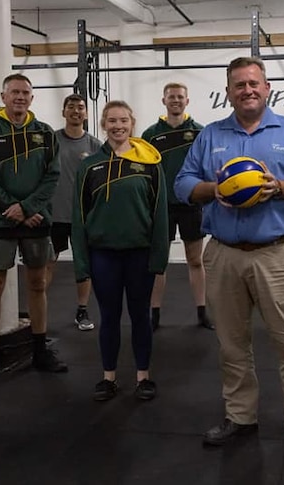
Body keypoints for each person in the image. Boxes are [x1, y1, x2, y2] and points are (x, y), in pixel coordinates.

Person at [175, 56, 284, 460]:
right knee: (231, 345)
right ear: (228, 92)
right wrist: (214, 190)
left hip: (277, 255)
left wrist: (280, 187)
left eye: (254, 83)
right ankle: (241, 416)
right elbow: (182, 183)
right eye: (239, 84)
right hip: (224, 255)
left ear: (267, 88)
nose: (248, 90)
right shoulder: (210, 135)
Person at [71, 100, 168, 401]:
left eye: (123, 120)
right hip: (104, 256)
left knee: (140, 316)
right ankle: (108, 377)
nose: (118, 126)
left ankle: (143, 377)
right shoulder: (88, 167)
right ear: (103, 124)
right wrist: (81, 263)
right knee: (109, 317)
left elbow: (160, 214)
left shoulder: (150, 163)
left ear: (132, 122)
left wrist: (159, 258)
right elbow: (80, 216)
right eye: (112, 121)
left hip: (139, 254)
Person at [0, 73, 66, 385]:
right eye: (13, 92)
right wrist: (13, 209)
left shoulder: (44, 133)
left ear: (32, 98)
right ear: (3, 97)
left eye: (25, 93)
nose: (19, 97)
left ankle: (40, 350)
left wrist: (27, 208)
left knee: (38, 284)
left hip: (36, 221)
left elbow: (52, 176)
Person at [142, 82, 212, 330]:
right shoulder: (150, 135)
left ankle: (203, 313)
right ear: (164, 101)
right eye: (171, 97)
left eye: (180, 97)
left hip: (191, 204)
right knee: (158, 261)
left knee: (195, 260)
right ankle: (154, 314)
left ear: (187, 101)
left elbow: (207, 168)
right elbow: (144, 173)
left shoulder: (200, 132)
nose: (176, 100)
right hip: (161, 206)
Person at [47, 93, 102, 331]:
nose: (76, 111)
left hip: (83, 218)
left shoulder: (95, 146)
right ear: (63, 112)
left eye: (80, 107)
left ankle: (82, 310)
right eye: (71, 107)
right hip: (54, 216)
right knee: (47, 263)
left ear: (86, 114)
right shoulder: (51, 141)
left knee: (83, 266)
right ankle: (39, 311)